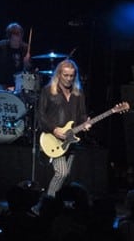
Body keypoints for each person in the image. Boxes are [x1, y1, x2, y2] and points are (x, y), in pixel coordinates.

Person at [30, 59, 90, 216]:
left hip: (71, 139)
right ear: (59, 74)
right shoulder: (48, 90)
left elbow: (82, 114)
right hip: (53, 138)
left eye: (72, 75)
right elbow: (41, 116)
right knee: (62, 173)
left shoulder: (78, 93)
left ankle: (52, 206)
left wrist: (86, 123)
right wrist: (54, 129)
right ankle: (43, 206)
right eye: (66, 75)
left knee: (66, 175)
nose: (69, 79)